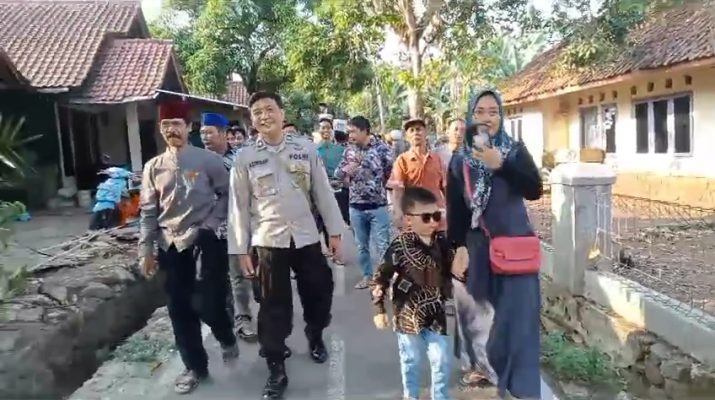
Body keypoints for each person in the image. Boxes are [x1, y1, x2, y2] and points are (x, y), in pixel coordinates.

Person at [227, 91, 345, 399]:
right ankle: (276, 367)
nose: (264, 116)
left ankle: (314, 333)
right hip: (267, 240)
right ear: (252, 120)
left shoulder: (305, 149)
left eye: (269, 109)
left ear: (282, 113)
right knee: (272, 307)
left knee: (320, 292)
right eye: (257, 112)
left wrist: (334, 232)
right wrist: (240, 250)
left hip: (306, 236)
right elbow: (238, 208)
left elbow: (323, 192)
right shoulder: (244, 158)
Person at [446, 90, 543, 399]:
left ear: (501, 116)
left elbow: (535, 189)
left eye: (493, 111)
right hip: (477, 248)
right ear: (471, 117)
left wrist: (500, 164)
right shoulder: (459, 159)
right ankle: (482, 367)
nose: (487, 117)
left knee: (518, 320)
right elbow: (455, 209)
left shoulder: (514, 151)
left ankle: (521, 385)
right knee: (476, 316)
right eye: (480, 111)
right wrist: (457, 247)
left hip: (514, 247)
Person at [138, 100, 238, 395]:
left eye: (177, 124)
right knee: (179, 309)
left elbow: (227, 195)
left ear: (189, 127)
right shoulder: (153, 167)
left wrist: (211, 224)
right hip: (170, 245)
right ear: (160, 129)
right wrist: (146, 251)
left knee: (209, 303)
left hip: (205, 241)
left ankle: (225, 335)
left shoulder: (208, 161)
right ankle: (195, 367)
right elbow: (147, 212)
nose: (171, 130)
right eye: (166, 125)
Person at [371, 187, 453, 400]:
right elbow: (381, 277)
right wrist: (379, 308)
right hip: (407, 315)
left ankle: (440, 397)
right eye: (426, 217)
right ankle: (411, 396)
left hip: (436, 314)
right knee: (411, 360)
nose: (433, 222)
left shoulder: (443, 243)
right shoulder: (399, 246)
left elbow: (454, 270)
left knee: (441, 359)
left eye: (437, 215)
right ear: (409, 219)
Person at [200, 112, 258, 343]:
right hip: (208, 230)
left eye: (210, 132)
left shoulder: (239, 160)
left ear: (224, 134)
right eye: (202, 133)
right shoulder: (196, 161)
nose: (205, 137)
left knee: (240, 275)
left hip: (236, 226)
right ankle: (229, 318)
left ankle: (243, 319)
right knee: (215, 279)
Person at [334, 116, 393, 289]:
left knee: (383, 246)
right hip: (356, 206)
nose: (350, 135)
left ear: (364, 130)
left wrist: (379, 187)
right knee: (362, 246)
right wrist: (348, 169)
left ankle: (384, 280)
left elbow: (390, 173)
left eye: (353, 131)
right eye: (349, 131)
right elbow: (338, 174)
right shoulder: (348, 151)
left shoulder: (382, 149)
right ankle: (367, 276)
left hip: (378, 206)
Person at [389, 118, 446, 232]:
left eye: (419, 129)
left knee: (440, 243)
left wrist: (450, 210)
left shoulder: (437, 159)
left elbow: (445, 187)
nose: (416, 133)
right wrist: (398, 213)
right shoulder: (402, 160)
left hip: (436, 215)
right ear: (407, 136)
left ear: (426, 132)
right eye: (412, 130)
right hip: (414, 216)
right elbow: (397, 191)